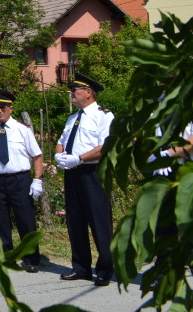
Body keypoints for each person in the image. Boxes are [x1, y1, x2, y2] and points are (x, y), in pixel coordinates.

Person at [55, 73, 115, 286]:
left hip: (93, 173)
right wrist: (59, 155)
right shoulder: (73, 117)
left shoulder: (104, 116)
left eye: (75, 90)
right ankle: (80, 267)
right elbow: (61, 141)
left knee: (99, 222)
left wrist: (79, 158)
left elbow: (104, 146)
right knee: (75, 222)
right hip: (72, 173)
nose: (72, 93)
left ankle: (106, 268)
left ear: (88, 92)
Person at [0, 88, 44, 272]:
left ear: (11, 108)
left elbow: (37, 156)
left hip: (20, 180)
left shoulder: (22, 130)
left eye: (3, 107)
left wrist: (37, 179)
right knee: (1, 221)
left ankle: (31, 259)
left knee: (26, 220)